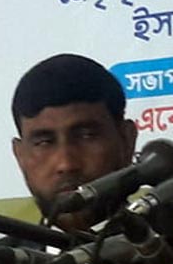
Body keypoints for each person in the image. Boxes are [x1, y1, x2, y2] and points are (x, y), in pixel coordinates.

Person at [10, 53, 138, 231]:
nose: (67, 164)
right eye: (44, 142)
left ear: (127, 140)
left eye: (86, 136)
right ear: (20, 156)